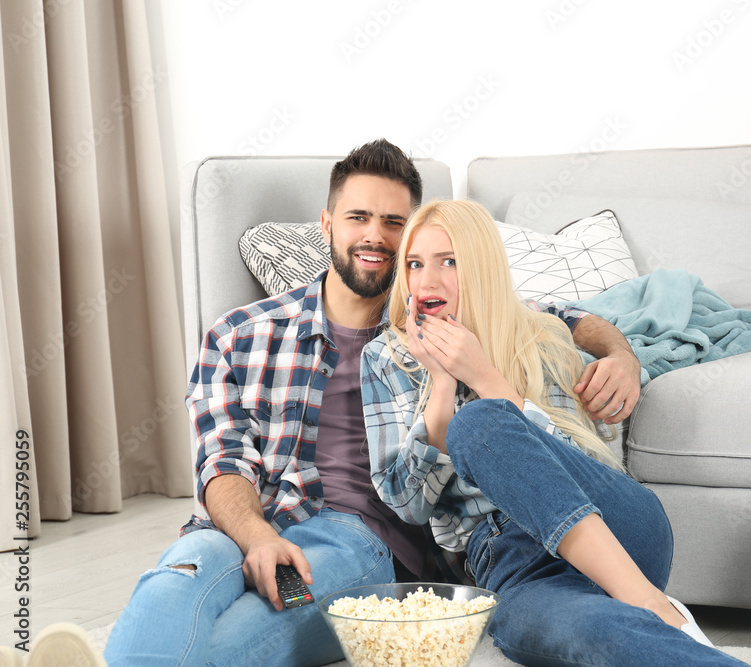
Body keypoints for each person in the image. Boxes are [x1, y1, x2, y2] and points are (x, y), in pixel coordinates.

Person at [2, 140, 638, 667]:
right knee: (176, 581)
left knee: (243, 639)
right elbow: (220, 463)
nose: (376, 237)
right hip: (240, 526)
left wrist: (620, 353)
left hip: (356, 541)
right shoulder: (240, 335)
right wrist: (254, 536)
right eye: (359, 217)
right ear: (327, 224)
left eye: (394, 223)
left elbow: (557, 318)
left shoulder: (428, 329)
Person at [361, 199, 751, 666]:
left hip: (615, 522)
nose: (427, 280)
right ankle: (654, 621)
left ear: (482, 268)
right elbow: (407, 504)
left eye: (449, 261)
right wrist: (440, 388)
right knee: (599, 633)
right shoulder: (386, 356)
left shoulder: (541, 335)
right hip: (512, 562)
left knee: (480, 422)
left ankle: (652, 602)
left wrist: (485, 378)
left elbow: (572, 461)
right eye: (415, 263)